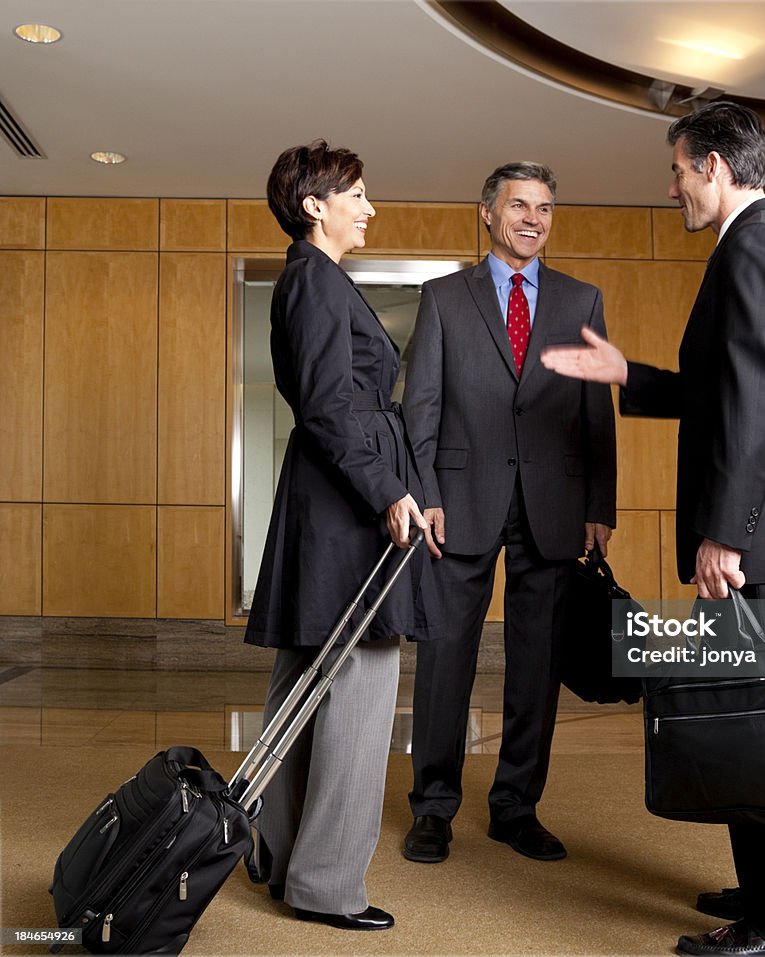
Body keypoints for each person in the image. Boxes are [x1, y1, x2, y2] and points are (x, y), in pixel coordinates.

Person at [541, 102, 765, 956]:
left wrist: (729, 534)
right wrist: (625, 373)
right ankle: (764, 892)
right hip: (755, 534)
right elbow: (723, 388)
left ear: (714, 166)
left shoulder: (761, 244)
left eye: (677, 168)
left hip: (754, 540)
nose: (670, 184)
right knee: (747, 716)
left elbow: (755, 403)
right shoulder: (759, 245)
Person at [244, 140, 441, 932]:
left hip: (327, 508)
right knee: (359, 693)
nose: (369, 207)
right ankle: (325, 887)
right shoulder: (316, 283)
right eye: (355, 194)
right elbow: (329, 407)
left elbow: (332, 406)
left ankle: (282, 855)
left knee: (302, 685)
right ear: (314, 205)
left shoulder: (308, 280)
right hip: (346, 514)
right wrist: (390, 490)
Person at [400, 161, 617, 865]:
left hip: (553, 505)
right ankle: (433, 806)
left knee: (537, 664)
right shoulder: (442, 298)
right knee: (446, 661)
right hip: (458, 504)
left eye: (546, 207)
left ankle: (516, 806)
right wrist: (426, 491)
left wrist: (598, 503)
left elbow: (595, 415)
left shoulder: (582, 301)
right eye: (520, 204)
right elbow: (420, 409)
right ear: (488, 213)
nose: (533, 218)